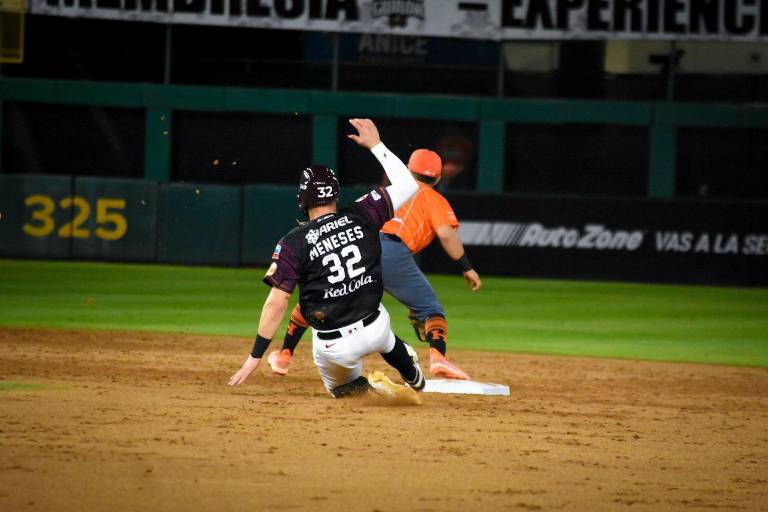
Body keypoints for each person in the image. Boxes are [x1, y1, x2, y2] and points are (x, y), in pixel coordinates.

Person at [228, 118, 425, 401]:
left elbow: (277, 303)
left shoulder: (293, 243)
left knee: (342, 390)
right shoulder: (363, 213)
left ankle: (376, 392)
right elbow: (409, 185)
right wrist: (376, 145)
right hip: (376, 325)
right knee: (388, 340)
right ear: (335, 193)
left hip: (335, 346)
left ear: (302, 199)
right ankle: (408, 366)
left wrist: (255, 356)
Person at [267, 147, 482, 381]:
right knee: (431, 309)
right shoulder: (436, 200)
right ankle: (438, 358)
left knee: (320, 298)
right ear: (438, 178)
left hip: (360, 244)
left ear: (409, 169)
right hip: (392, 250)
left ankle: (284, 354)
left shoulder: (389, 192)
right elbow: (446, 234)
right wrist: (466, 267)